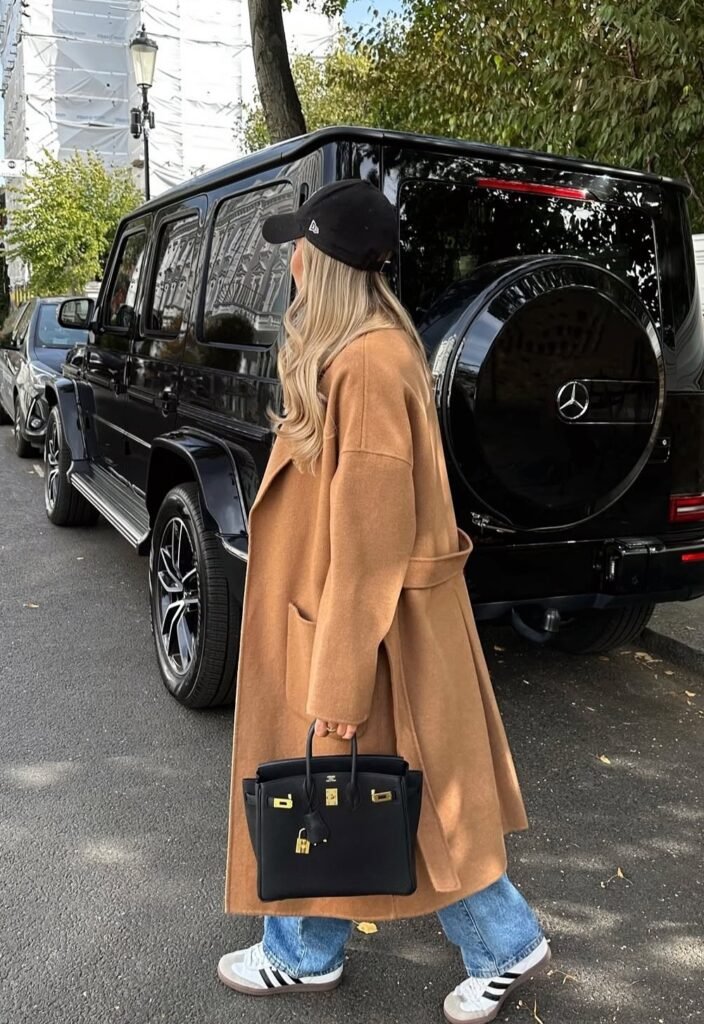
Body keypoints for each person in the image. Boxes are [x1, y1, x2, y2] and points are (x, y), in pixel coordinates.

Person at [218, 179, 551, 1024]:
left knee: (372, 792)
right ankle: (309, 949)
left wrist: (336, 685)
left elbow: (368, 548)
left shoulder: (365, 364)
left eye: (299, 243)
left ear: (322, 261)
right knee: (374, 794)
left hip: (368, 629)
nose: (290, 257)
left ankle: (500, 945)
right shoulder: (364, 348)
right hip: (364, 622)